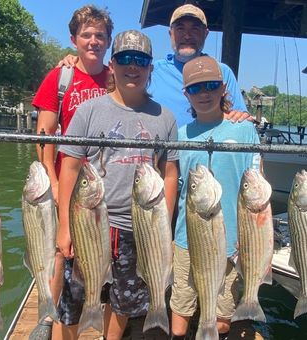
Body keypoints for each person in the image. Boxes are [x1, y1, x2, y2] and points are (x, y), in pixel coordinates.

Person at [57, 30, 178, 340]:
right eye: (125, 59)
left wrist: (162, 226)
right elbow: (70, 167)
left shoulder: (165, 118)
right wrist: (64, 226)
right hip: (89, 222)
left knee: (123, 304)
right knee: (71, 301)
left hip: (137, 228)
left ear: (151, 67)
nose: (132, 66)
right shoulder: (89, 110)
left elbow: (169, 174)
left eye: (141, 60)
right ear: (112, 64)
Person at [31, 5, 113, 339]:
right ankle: (49, 316)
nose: (93, 41)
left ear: (108, 41)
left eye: (100, 36)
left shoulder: (114, 77)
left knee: (99, 255)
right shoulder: (60, 76)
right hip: (67, 180)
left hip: (104, 186)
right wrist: (50, 179)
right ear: (74, 39)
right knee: (61, 250)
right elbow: (44, 134)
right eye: (86, 35)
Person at [171, 55, 260, 340]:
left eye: (210, 85)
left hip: (232, 241)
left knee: (221, 319)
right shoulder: (180, 135)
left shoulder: (245, 130)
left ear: (223, 88)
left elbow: (258, 183)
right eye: (196, 88)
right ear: (186, 94)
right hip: (188, 238)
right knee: (180, 313)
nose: (204, 93)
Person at [60, 4, 250, 127]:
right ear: (170, 34)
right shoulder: (149, 70)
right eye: (180, 28)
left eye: (195, 29)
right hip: (160, 167)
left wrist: (242, 120)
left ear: (206, 34)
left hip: (203, 168)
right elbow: (113, 90)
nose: (187, 35)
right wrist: (78, 62)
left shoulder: (222, 72)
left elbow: (238, 118)